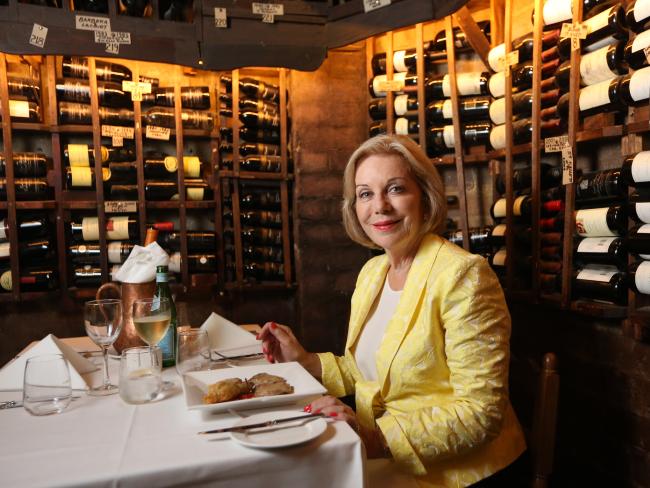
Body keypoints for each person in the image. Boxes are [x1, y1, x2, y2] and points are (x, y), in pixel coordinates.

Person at [258, 134, 526, 487]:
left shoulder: (463, 275)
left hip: (458, 475)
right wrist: (306, 362)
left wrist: (373, 438)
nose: (379, 206)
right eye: (365, 194)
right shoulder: (373, 272)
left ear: (425, 197)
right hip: (387, 459)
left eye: (396, 189)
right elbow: (369, 371)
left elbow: (480, 414)